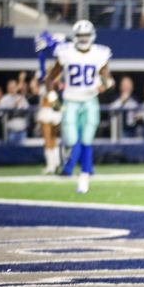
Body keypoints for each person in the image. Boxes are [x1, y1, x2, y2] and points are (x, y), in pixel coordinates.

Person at [44, 20, 114, 194]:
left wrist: (105, 84)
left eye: (86, 35)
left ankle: (84, 172)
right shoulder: (66, 52)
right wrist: (53, 97)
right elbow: (49, 79)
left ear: (92, 36)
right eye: (80, 36)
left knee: (87, 139)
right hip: (71, 100)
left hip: (90, 100)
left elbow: (108, 79)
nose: (83, 39)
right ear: (75, 37)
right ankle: (74, 166)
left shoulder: (100, 53)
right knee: (71, 139)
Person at [34, 31, 64, 174]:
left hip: (49, 109)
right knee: (53, 138)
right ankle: (55, 162)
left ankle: (52, 165)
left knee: (48, 138)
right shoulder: (49, 76)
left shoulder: (51, 77)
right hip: (55, 109)